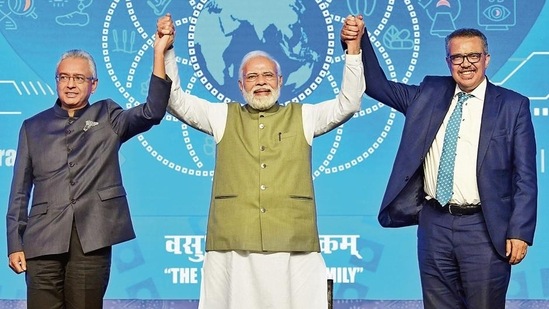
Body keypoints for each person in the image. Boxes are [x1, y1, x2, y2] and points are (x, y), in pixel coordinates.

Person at [157, 14, 365, 309]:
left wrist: (353, 50)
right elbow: (175, 100)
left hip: (293, 240)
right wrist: (167, 50)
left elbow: (349, 103)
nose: (261, 83)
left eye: (267, 76)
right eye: (252, 77)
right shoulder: (222, 116)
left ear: (280, 81)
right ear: (240, 85)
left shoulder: (304, 116)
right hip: (234, 241)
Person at [341, 15, 537, 309]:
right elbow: (377, 85)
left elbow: (525, 176)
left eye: (473, 55)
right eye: (457, 57)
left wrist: (520, 232)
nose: (466, 63)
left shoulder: (512, 105)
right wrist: (359, 41)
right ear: (448, 62)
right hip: (434, 225)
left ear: (486, 59)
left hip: (484, 228)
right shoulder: (428, 94)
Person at [5, 32, 174, 308]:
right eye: (64, 77)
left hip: (91, 240)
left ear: (93, 84)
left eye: (79, 78)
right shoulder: (32, 127)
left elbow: (152, 111)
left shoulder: (107, 116)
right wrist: (15, 243)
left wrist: (159, 52)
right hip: (42, 240)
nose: (70, 84)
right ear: (57, 81)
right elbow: (19, 192)